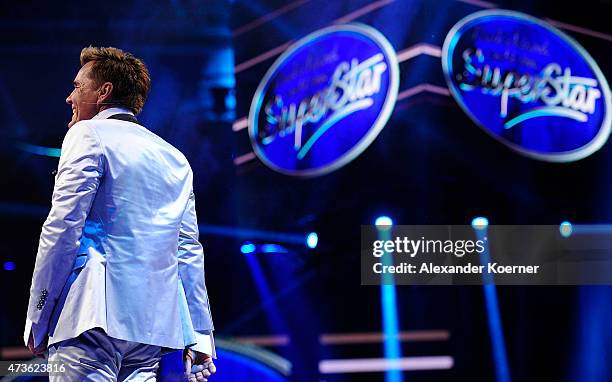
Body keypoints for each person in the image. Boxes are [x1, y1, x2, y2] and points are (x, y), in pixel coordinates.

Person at [24, 46, 216, 382]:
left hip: (89, 318)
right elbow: (188, 250)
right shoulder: (174, 158)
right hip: (150, 329)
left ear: (104, 92)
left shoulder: (87, 134)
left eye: (78, 87)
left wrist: (38, 316)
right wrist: (200, 335)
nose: (70, 97)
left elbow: (62, 229)